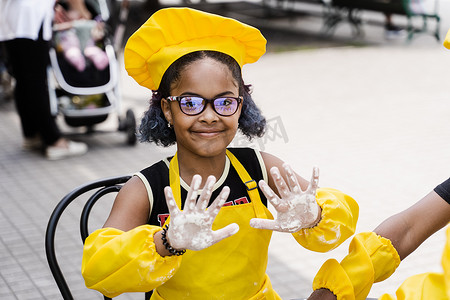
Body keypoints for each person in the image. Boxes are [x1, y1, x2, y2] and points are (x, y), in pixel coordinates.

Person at [81, 7, 359, 299]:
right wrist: (167, 241)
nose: (210, 116)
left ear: (241, 106)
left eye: (224, 103)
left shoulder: (260, 168)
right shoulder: (145, 189)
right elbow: (97, 269)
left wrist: (314, 216)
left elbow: (338, 224)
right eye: (191, 103)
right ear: (167, 109)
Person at [0, 0, 88, 160]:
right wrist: (82, 11)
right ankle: (54, 141)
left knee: (23, 79)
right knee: (36, 81)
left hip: (10, 18)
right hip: (31, 17)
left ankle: (31, 134)